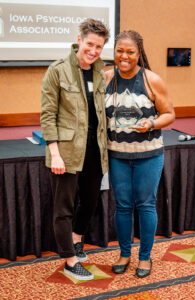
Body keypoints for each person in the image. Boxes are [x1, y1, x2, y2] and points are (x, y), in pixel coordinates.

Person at [40, 19, 109, 281]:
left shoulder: (100, 73)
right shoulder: (57, 71)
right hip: (66, 151)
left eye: (99, 47)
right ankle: (69, 261)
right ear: (79, 40)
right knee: (64, 208)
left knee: (90, 201)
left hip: (94, 150)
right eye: (90, 44)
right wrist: (54, 153)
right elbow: (48, 115)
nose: (93, 51)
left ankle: (77, 239)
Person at [105, 30, 175, 278]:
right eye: (120, 51)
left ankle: (145, 258)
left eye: (130, 52)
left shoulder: (151, 80)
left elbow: (169, 113)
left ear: (139, 53)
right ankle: (125, 254)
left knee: (145, 205)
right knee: (122, 206)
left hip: (148, 155)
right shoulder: (105, 78)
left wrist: (152, 124)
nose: (124, 56)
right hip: (117, 155)